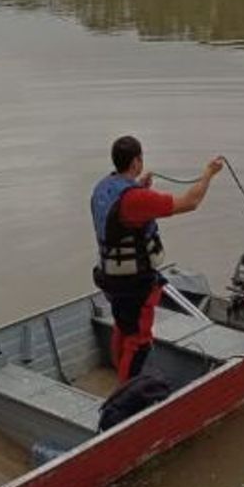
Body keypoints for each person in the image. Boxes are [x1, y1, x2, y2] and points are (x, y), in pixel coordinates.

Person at [91, 135, 224, 382]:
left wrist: (140, 186)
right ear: (136, 161)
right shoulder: (136, 199)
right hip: (135, 284)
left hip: (111, 278)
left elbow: (121, 218)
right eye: (140, 159)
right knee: (138, 342)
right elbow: (190, 201)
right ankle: (126, 396)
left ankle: (120, 380)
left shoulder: (103, 187)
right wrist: (208, 174)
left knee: (123, 327)